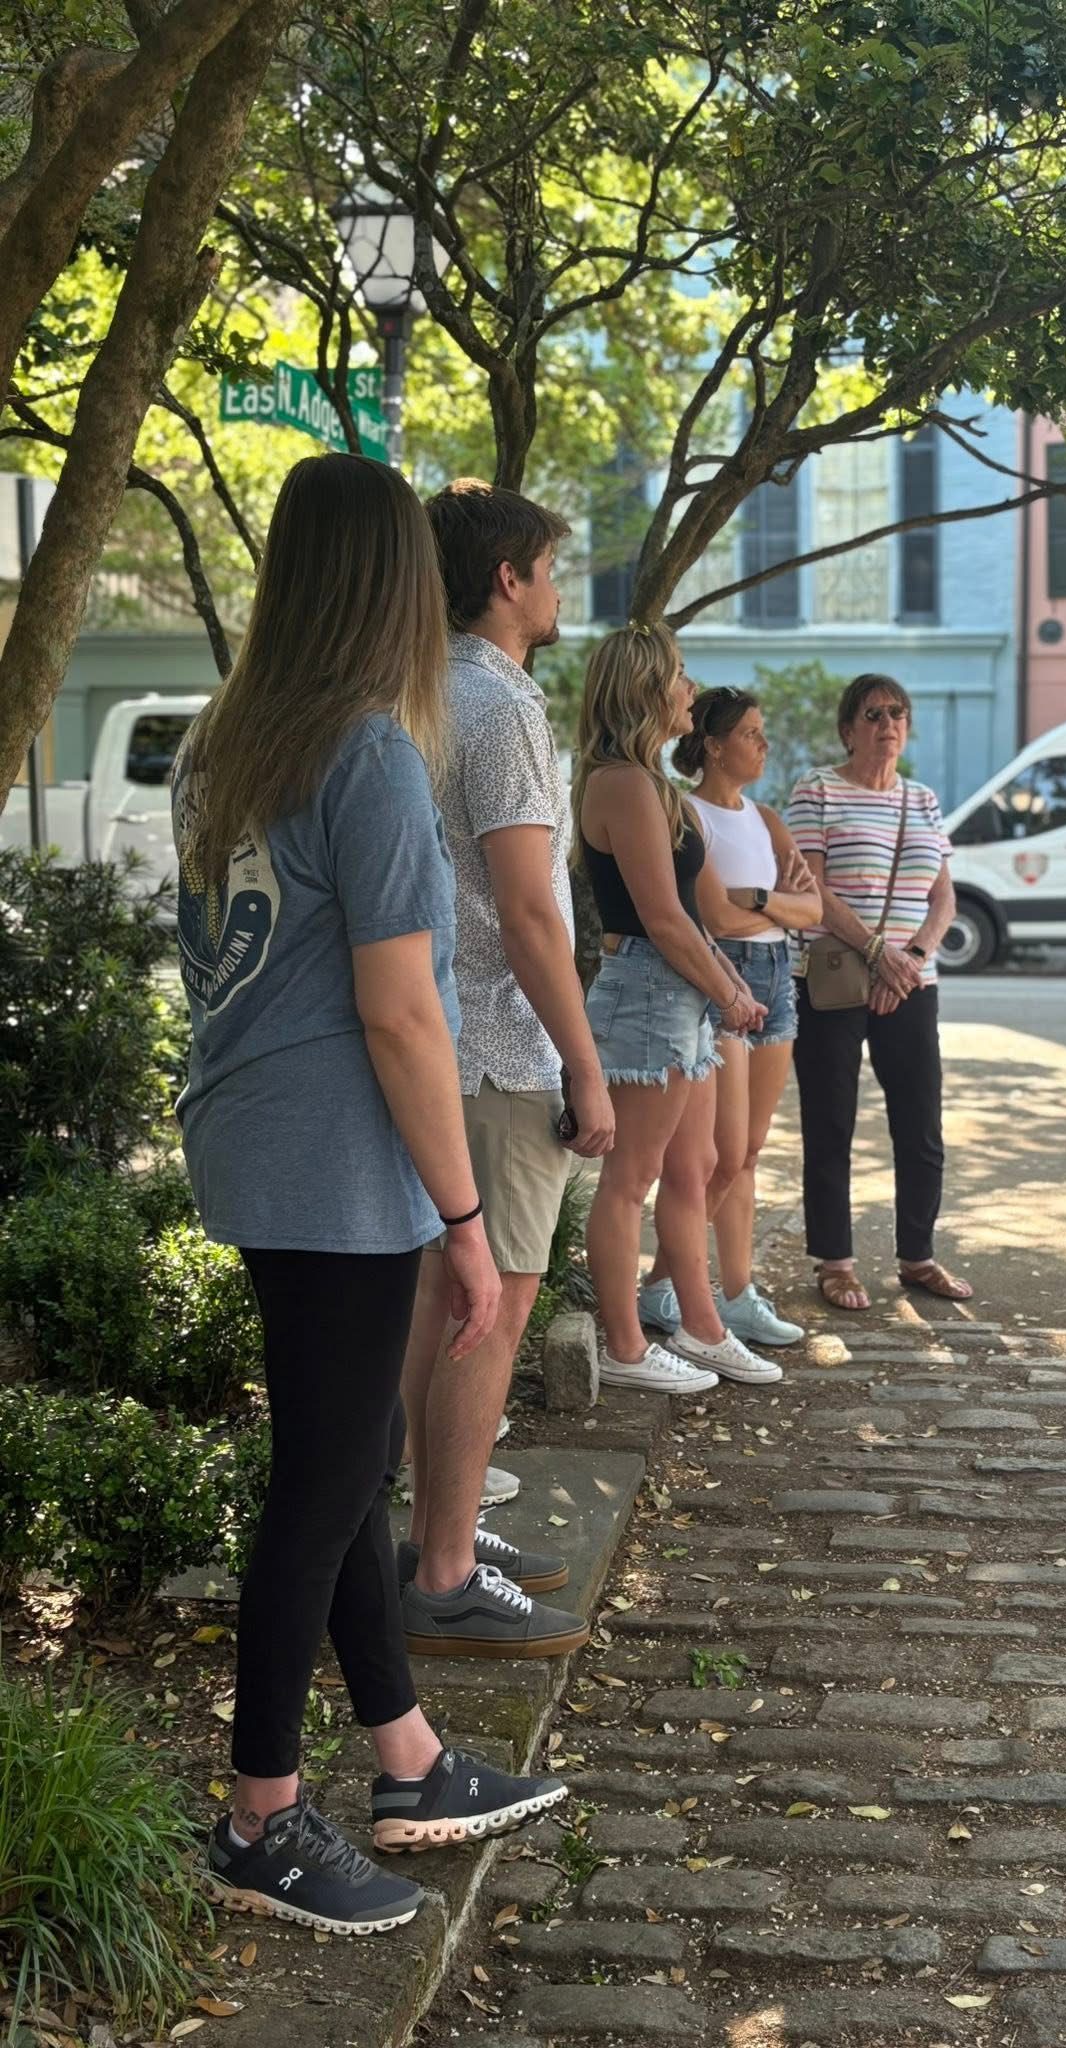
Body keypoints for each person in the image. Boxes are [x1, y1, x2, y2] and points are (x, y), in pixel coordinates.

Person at [173, 454, 566, 1940]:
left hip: (254, 1138)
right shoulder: (371, 753)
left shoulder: (224, 740)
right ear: (398, 582)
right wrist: (466, 1224)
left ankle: (408, 1757)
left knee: (342, 1462)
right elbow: (403, 1012)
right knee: (327, 1481)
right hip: (341, 1162)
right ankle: (260, 1819)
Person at [392, 478, 613, 1661]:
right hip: (500, 1047)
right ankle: (442, 1570)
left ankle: (442, 1533)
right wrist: (587, 1063)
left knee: (446, 1300)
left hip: (440, 1041)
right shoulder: (503, 705)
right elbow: (528, 910)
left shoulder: (420, 688)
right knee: (494, 1301)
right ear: (507, 577)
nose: (559, 587)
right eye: (549, 566)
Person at [575, 626, 783, 1392]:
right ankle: (625, 1348)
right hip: (646, 991)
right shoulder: (623, 784)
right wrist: (728, 990)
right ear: (645, 687)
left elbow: (690, 916)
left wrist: (726, 982)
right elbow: (661, 919)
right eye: (680, 674)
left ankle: (703, 1326)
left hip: (678, 991)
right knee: (630, 1178)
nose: (690, 689)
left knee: (693, 1171)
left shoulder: (651, 784)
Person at [636, 687, 821, 1347]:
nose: (764, 744)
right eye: (750, 733)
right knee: (724, 1152)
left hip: (777, 975)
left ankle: (737, 1293)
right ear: (713, 746)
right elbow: (712, 915)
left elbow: (813, 910)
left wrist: (760, 897)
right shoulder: (688, 814)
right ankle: (664, 1284)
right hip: (726, 977)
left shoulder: (767, 819)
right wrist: (774, 906)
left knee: (750, 1152)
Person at [787, 673, 972, 1313]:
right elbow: (810, 889)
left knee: (921, 1123)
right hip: (836, 975)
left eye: (898, 712)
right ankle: (835, 1261)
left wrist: (911, 960)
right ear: (848, 729)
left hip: (910, 981)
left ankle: (918, 1255)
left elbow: (943, 897)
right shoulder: (817, 789)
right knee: (830, 1120)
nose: (888, 723)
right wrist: (877, 954)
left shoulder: (922, 799)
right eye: (873, 714)